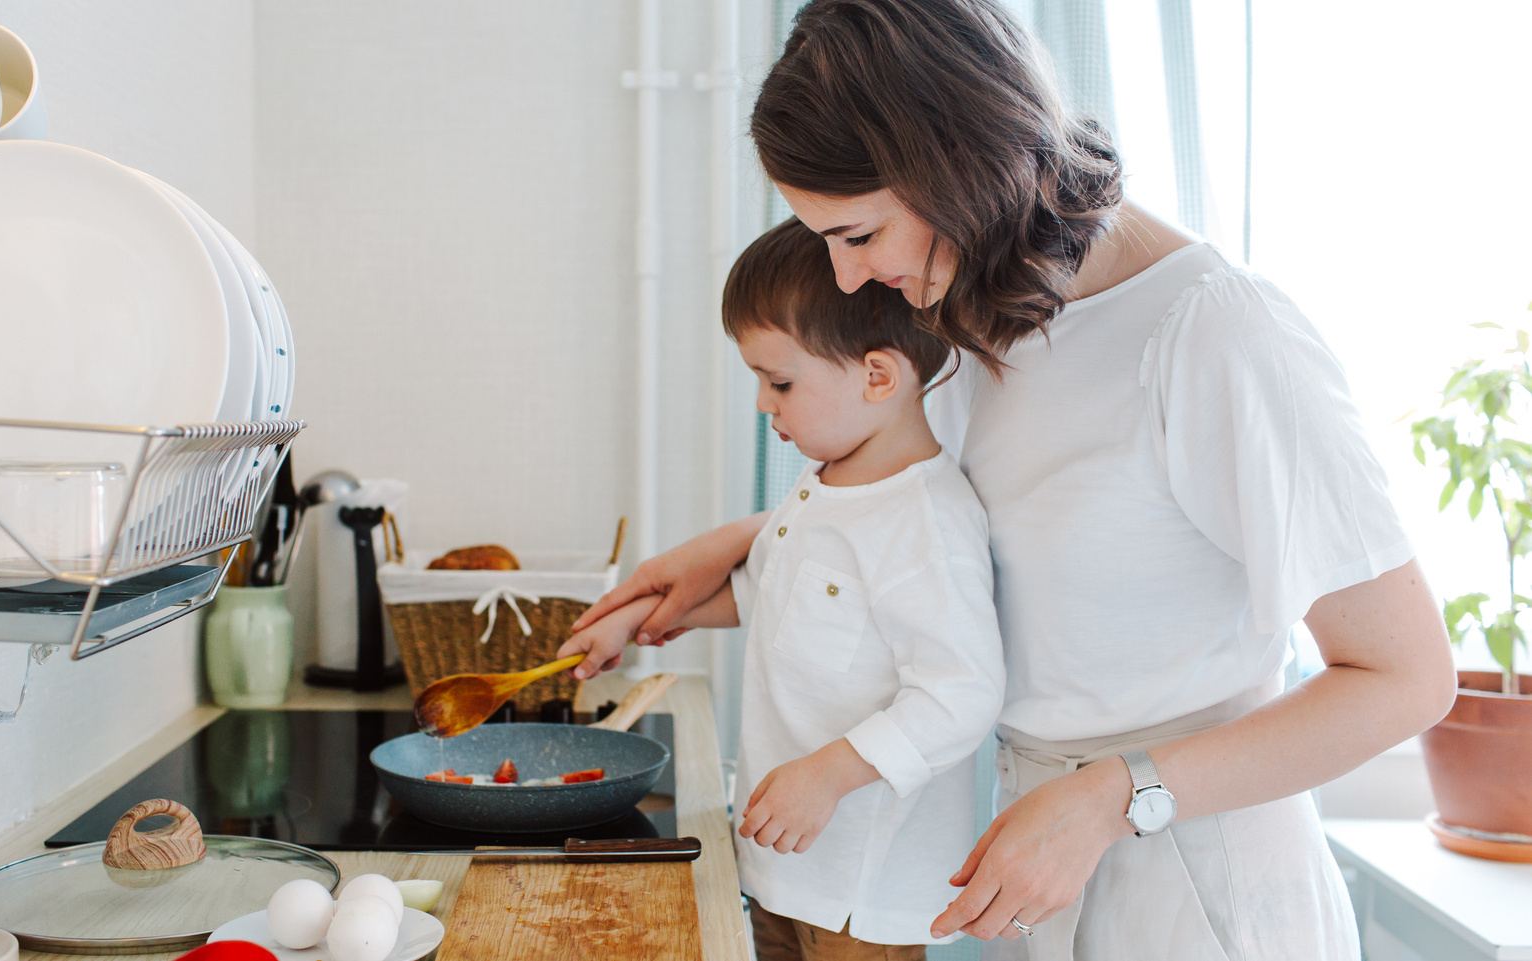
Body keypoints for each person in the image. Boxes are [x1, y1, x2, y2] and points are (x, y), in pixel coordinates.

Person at [572, 1, 1458, 958]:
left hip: (1197, 884)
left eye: (859, 234)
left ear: (956, 167)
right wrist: (731, 553)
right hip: (1033, 861)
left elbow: (1405, 679)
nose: (847, 275)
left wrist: (1116, 795)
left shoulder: (1217, 335)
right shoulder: (970, 317)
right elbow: (954, 546)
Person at [562, 218, 1005, 960]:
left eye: (781, 382)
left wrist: (829, 774)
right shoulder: (825, 483)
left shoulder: (924, 523)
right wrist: (634, 619)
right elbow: (766, 592)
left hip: (860, 894)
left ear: (877, 376)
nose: (766, 405)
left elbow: (962, 692)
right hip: (784, 866)